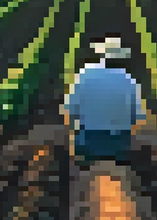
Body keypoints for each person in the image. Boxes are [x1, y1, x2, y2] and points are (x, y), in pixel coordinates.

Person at [62, 36, 146, 166]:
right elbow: (136, 117)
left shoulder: (84, 74)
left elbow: (71, 110)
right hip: (119, 143)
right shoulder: (129, 80)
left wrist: (72, 136)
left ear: (102, 56)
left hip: (88, 140)